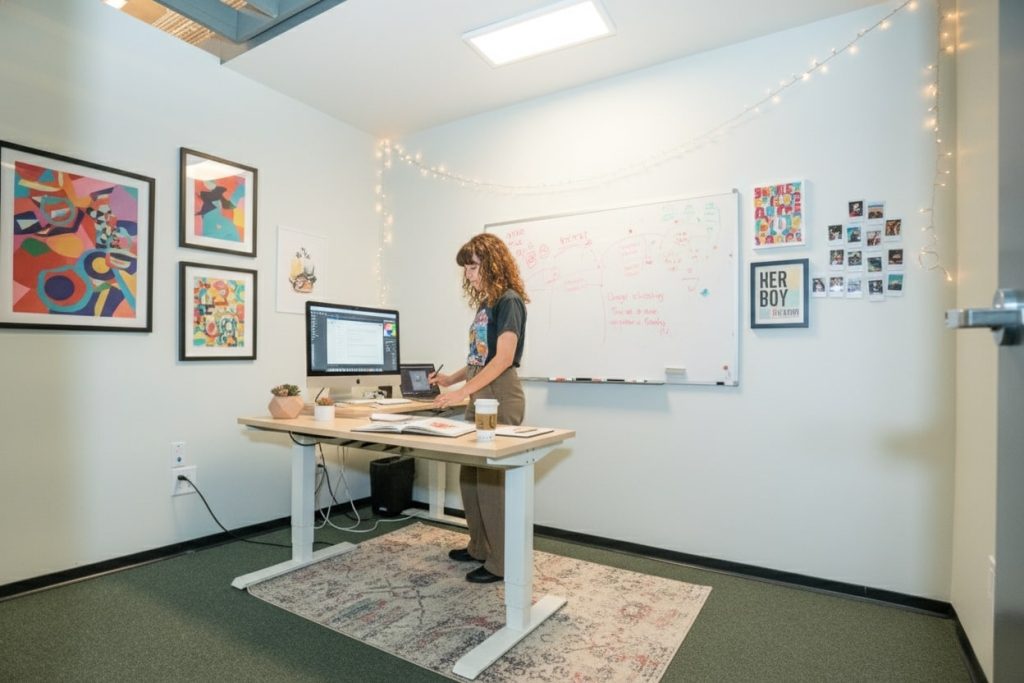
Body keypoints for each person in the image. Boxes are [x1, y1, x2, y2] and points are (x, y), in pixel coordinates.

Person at [431, 233, 528, 584]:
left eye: (473, 266)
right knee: (469, 474)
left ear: (492, 263)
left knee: (490, 481)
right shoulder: (485, 304)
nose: (468, 274)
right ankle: (478, 547)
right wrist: (452, 381)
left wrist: (463, 393)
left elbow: (502, 359)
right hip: (480, 392)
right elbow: (478, 358)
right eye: (466, 268)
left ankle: (501, 563)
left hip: (501, 395)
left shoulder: (510, 302)